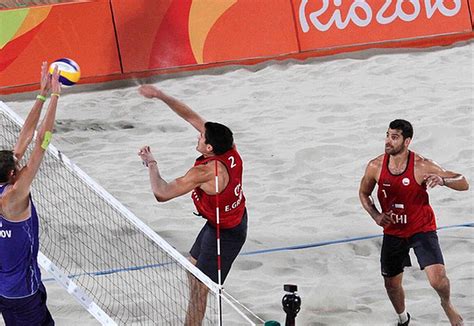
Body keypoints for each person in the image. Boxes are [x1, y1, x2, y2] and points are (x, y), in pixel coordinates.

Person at [137, 85, 248, 325]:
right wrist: (161, 95)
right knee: (192, 267)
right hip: (225, 220)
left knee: (200, 288)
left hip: (225, 233)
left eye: (201, 137)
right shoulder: (228, 147)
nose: (197, 135)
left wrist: (151, 163)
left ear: (209, 148)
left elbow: (162, 193)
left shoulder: (205, 173)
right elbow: (190, 116)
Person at [359, 119, 468, 326]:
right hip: (393, 232)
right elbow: (364, 194)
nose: (388, 141)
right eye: (387, 135)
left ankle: (446, 304)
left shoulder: (422, 165)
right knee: (391, 284)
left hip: (421, 229)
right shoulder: (375, 166)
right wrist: (375, 215)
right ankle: (403, 319)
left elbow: (463, 182)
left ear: (407, 141)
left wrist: (443, 181)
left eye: (394, 137)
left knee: (437, 279)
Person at [0, 62, 61, 326]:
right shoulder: (14, 197)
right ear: (13, 175)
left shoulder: (7, 186)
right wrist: (56, 96)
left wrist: (41, 94)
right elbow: (41, 142)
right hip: (21, 293)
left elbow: (24, 138)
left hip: (7, 288)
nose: (21, 163)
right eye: (18, 165)